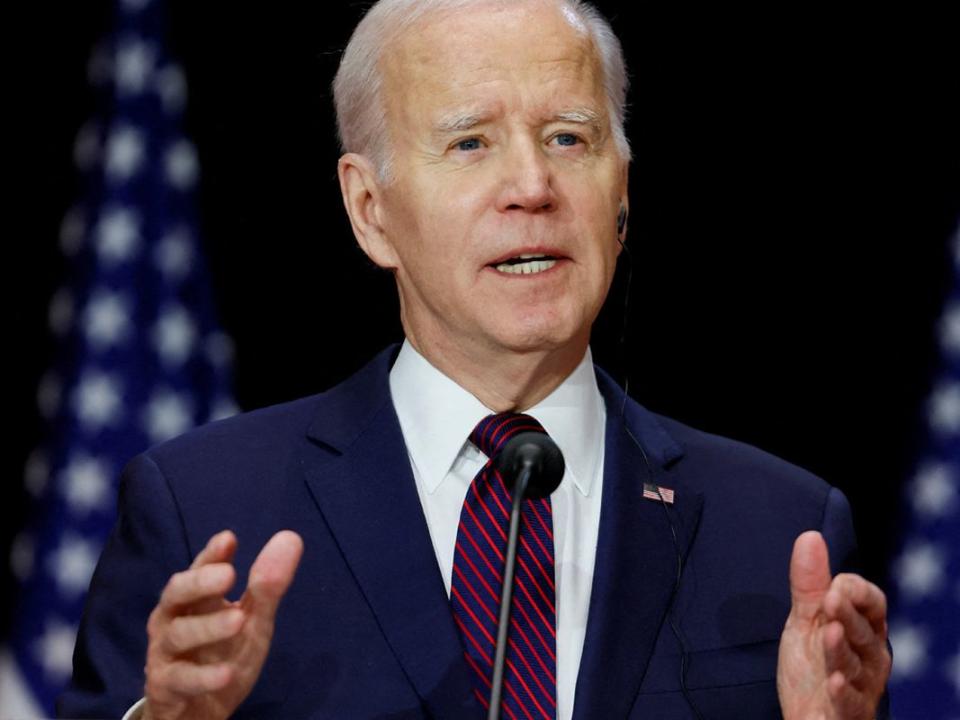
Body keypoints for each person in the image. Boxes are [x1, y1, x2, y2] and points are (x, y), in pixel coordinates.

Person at [60, 0, 892, 718]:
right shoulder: (203, 509)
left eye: (569, 138)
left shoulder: (781, 533)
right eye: (470, 145)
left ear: (623, 195)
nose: (532, 185)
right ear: (370, 209)